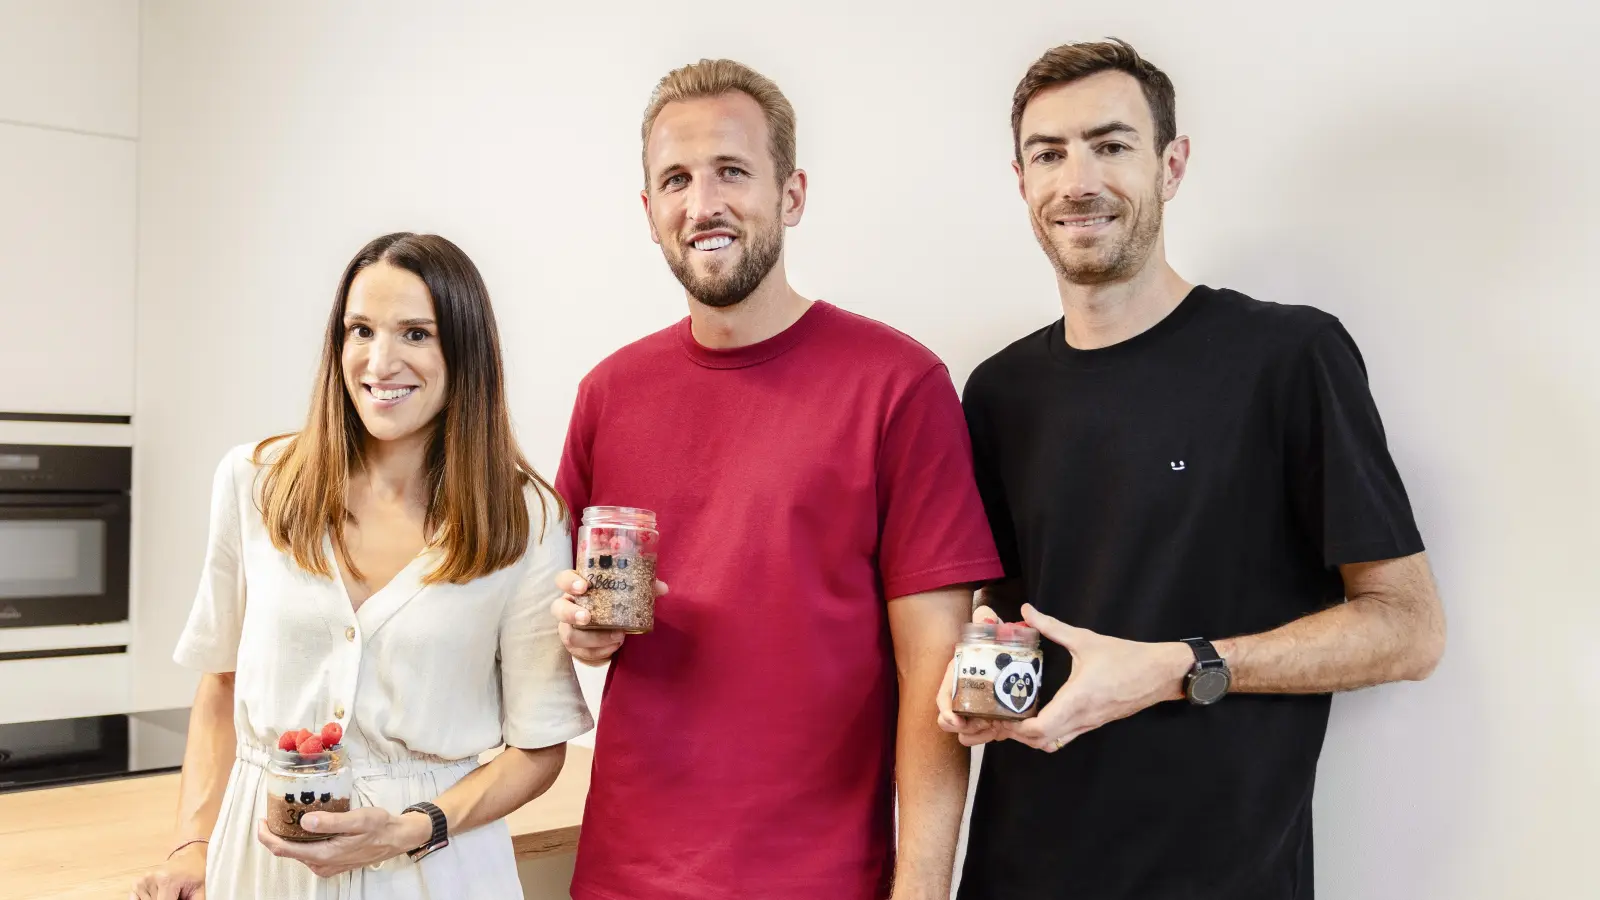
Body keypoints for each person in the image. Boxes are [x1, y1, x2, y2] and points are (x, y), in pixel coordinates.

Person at [937, 39, 1447, 899]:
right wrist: (971, 676)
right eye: (1049, 153)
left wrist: (1182, 664)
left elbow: (1409, 629)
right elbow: (1002, 613)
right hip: (1021, 869)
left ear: (1171, 165)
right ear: (1021, 181)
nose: (1079, 180)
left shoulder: (1288, 357)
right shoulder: (996, 391)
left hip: (1223, 876)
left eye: (1111, 145)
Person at [549, 59, 1004, 900]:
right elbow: (548, 608)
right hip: (622, 875)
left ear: (791, 194)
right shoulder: (609, 394)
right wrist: (575, 626)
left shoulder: (898, 386)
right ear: (648, 213)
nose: (703, 204)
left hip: (819, 879)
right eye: (675, 180)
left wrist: (923, 891)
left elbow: (932, 672)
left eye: (732, 171)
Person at [131, 232, 593, 900]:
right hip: (265, 866)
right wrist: (193, 845)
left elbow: (538, 748)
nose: (380, 360)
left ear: (464, 352)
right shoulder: (254, 483)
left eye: (415, 333)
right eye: (360, 329)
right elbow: (222, 683)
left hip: (435, 869)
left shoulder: (525, 519)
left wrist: (413, 826)